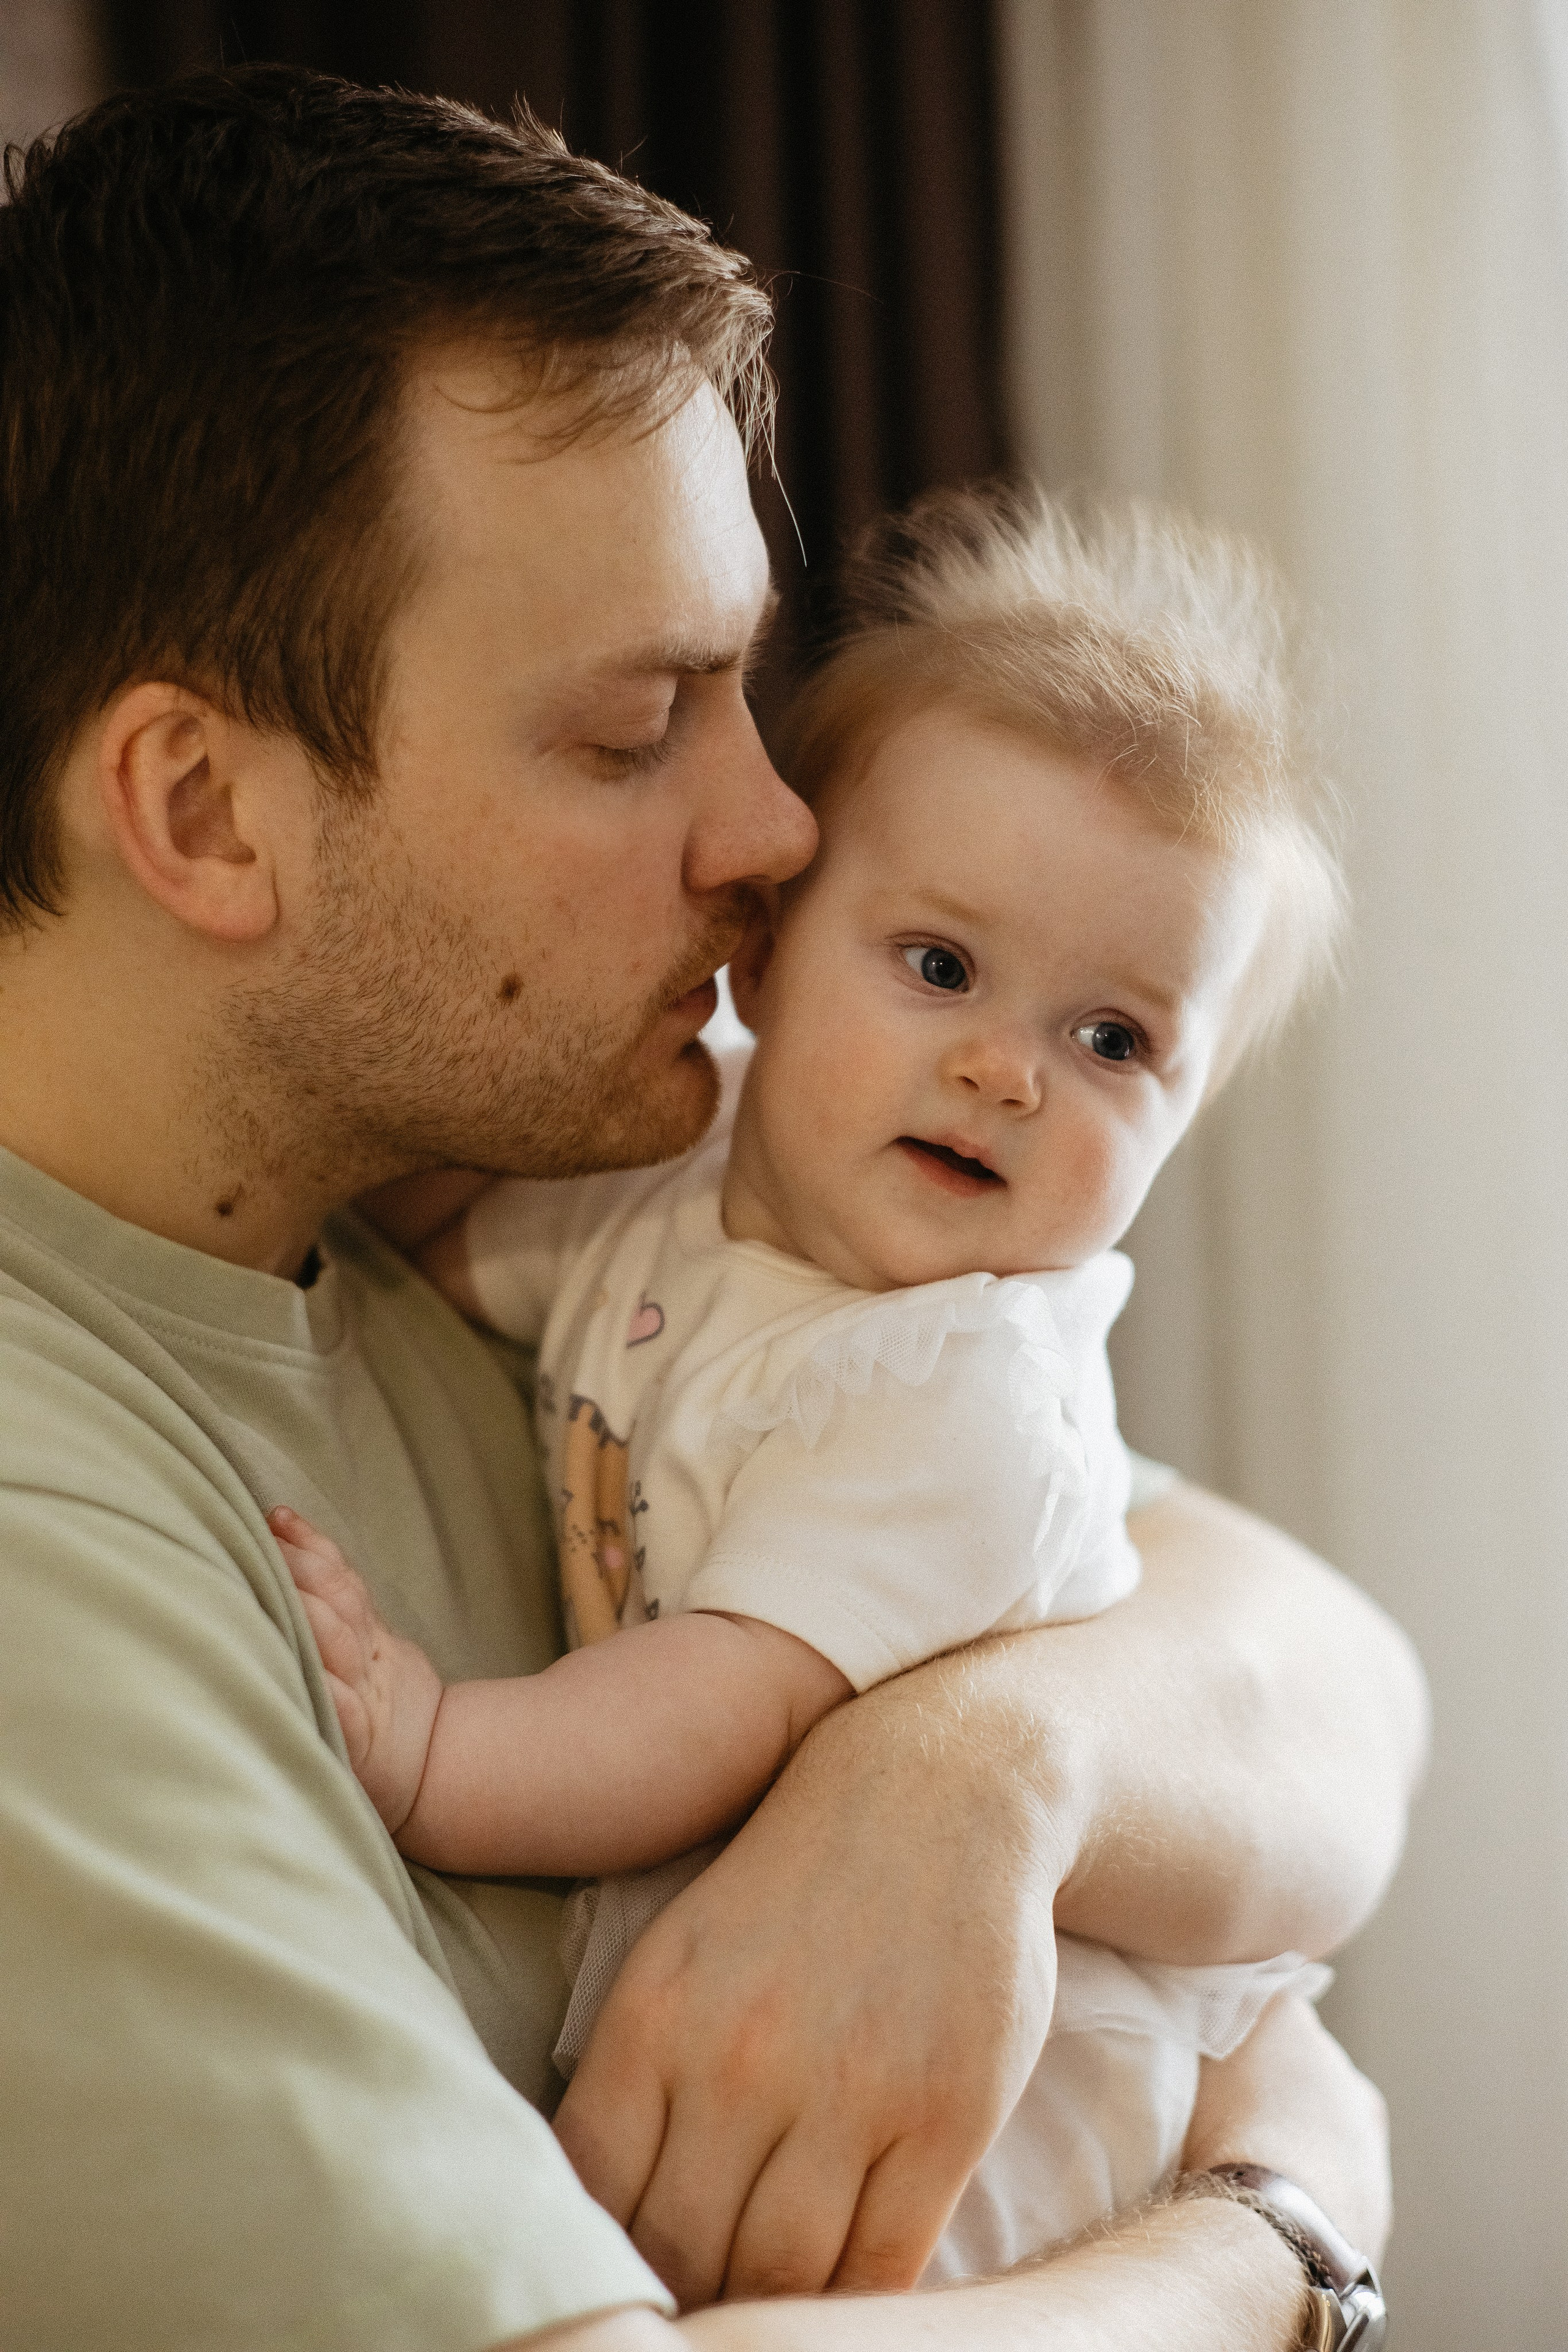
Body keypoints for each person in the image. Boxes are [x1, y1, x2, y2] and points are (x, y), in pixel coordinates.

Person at [0, 64, 1425, 2352]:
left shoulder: (439, 1220)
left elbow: (1327, 1666)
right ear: (204, 809)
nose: (782, 832)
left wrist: (974, 1775)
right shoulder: (44, 1557)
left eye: (744, 683)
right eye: (633, 719)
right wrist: (1281, 2225)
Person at [273, 481, 1344, 2285]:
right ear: (763, 949)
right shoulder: (683, 1182)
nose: (1006, 1072)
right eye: (938, 968)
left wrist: (434, 1753)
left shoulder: (960, 1387)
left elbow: (714, 1704)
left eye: (1117, 1043)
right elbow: (450, 1249)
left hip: (1021, 2088)